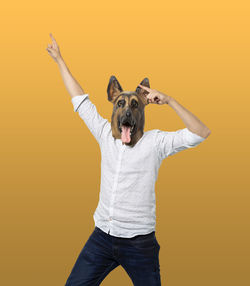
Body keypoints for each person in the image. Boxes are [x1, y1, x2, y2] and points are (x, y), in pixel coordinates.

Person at [46, 33, 211, 286]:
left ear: (142, 108)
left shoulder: (155, 142)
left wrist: (169, 100)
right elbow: (79, 99)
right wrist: (59, 59)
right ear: (113, 104)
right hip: (102, 237)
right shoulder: (104, 134)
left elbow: (200, 133)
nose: (126, 110)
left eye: (134, 105)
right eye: (120, 104)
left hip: (139, 243)